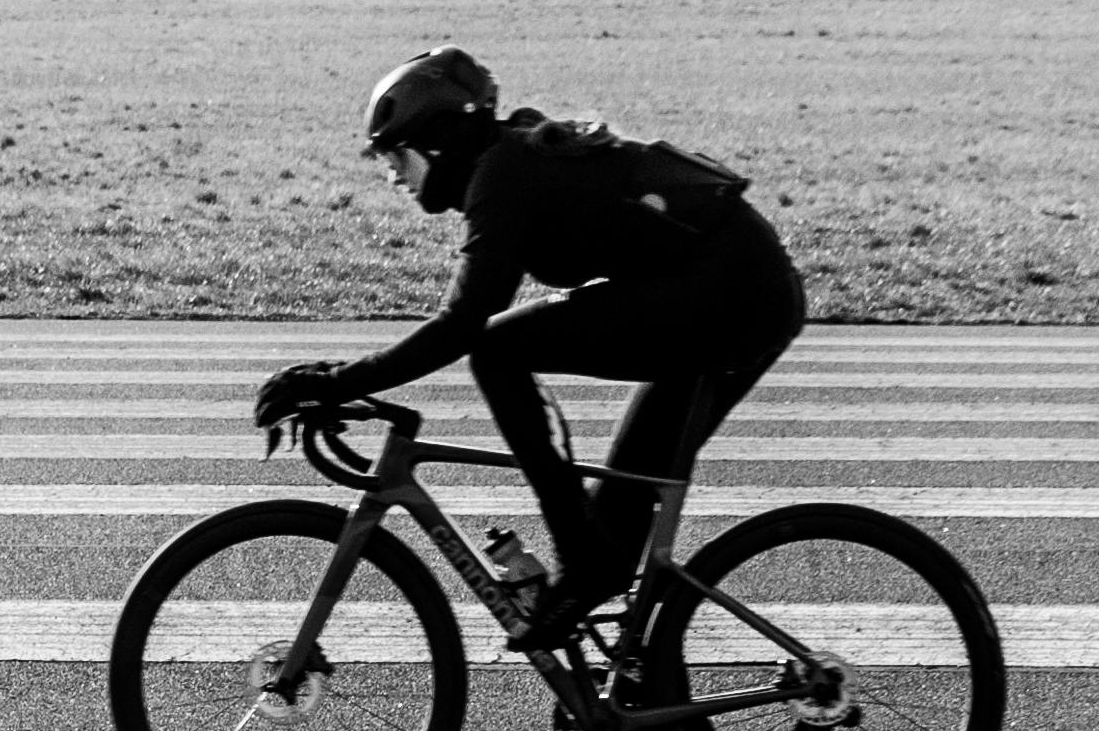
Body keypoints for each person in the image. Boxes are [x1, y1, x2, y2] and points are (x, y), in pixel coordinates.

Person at [253, 47, 803, 665]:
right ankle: (639, 708)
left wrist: (337, 382)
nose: (392, 175)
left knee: (498, 351)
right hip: (737, 287)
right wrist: (338, 379)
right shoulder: (507, 161)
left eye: (396, 156)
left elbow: (463, 322)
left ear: (437, 142)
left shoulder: (505, 173)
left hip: (732, 294)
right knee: (614, 519)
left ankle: (584, 561)